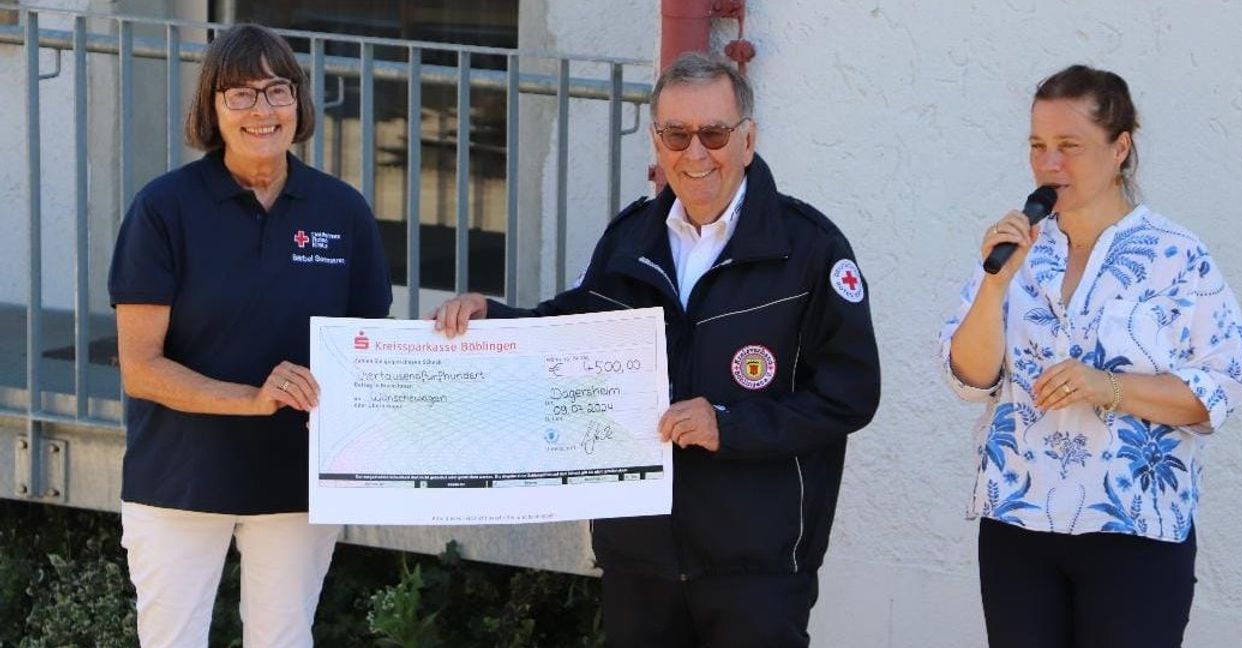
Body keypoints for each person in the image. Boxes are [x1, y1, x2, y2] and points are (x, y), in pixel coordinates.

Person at [433, 52, 880, 647]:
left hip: (757, 568)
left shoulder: (810, 250)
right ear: (657, 140)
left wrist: (730, 426)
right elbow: (570, 336)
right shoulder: (630, 238)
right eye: (677, 134)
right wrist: (495, 322)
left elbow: (850, 396)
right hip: (639, 561)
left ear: (748, 139)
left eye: (714, 133)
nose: (695, 154)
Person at [939, 64, 1242, 647]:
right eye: (1037, 146)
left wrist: (1109, 387)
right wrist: (996, 286)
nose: (1048, 164)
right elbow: (970, 379)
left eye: (1069, 146)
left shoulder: (1176, 256)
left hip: (1134, 529)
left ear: (1120, 147)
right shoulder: (1022, 248)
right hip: (1017, 524)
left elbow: (1218, 389)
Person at [108, 24, 391, 648]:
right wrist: (251, 398)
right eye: (239, 94)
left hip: (296, 479)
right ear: (211, 108)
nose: (262, 110)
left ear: (300, 102)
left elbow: (369, 349)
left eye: (277, 90)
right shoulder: (164, 209)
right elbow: (141, 367)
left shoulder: (341, 211)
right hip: (180, 479)